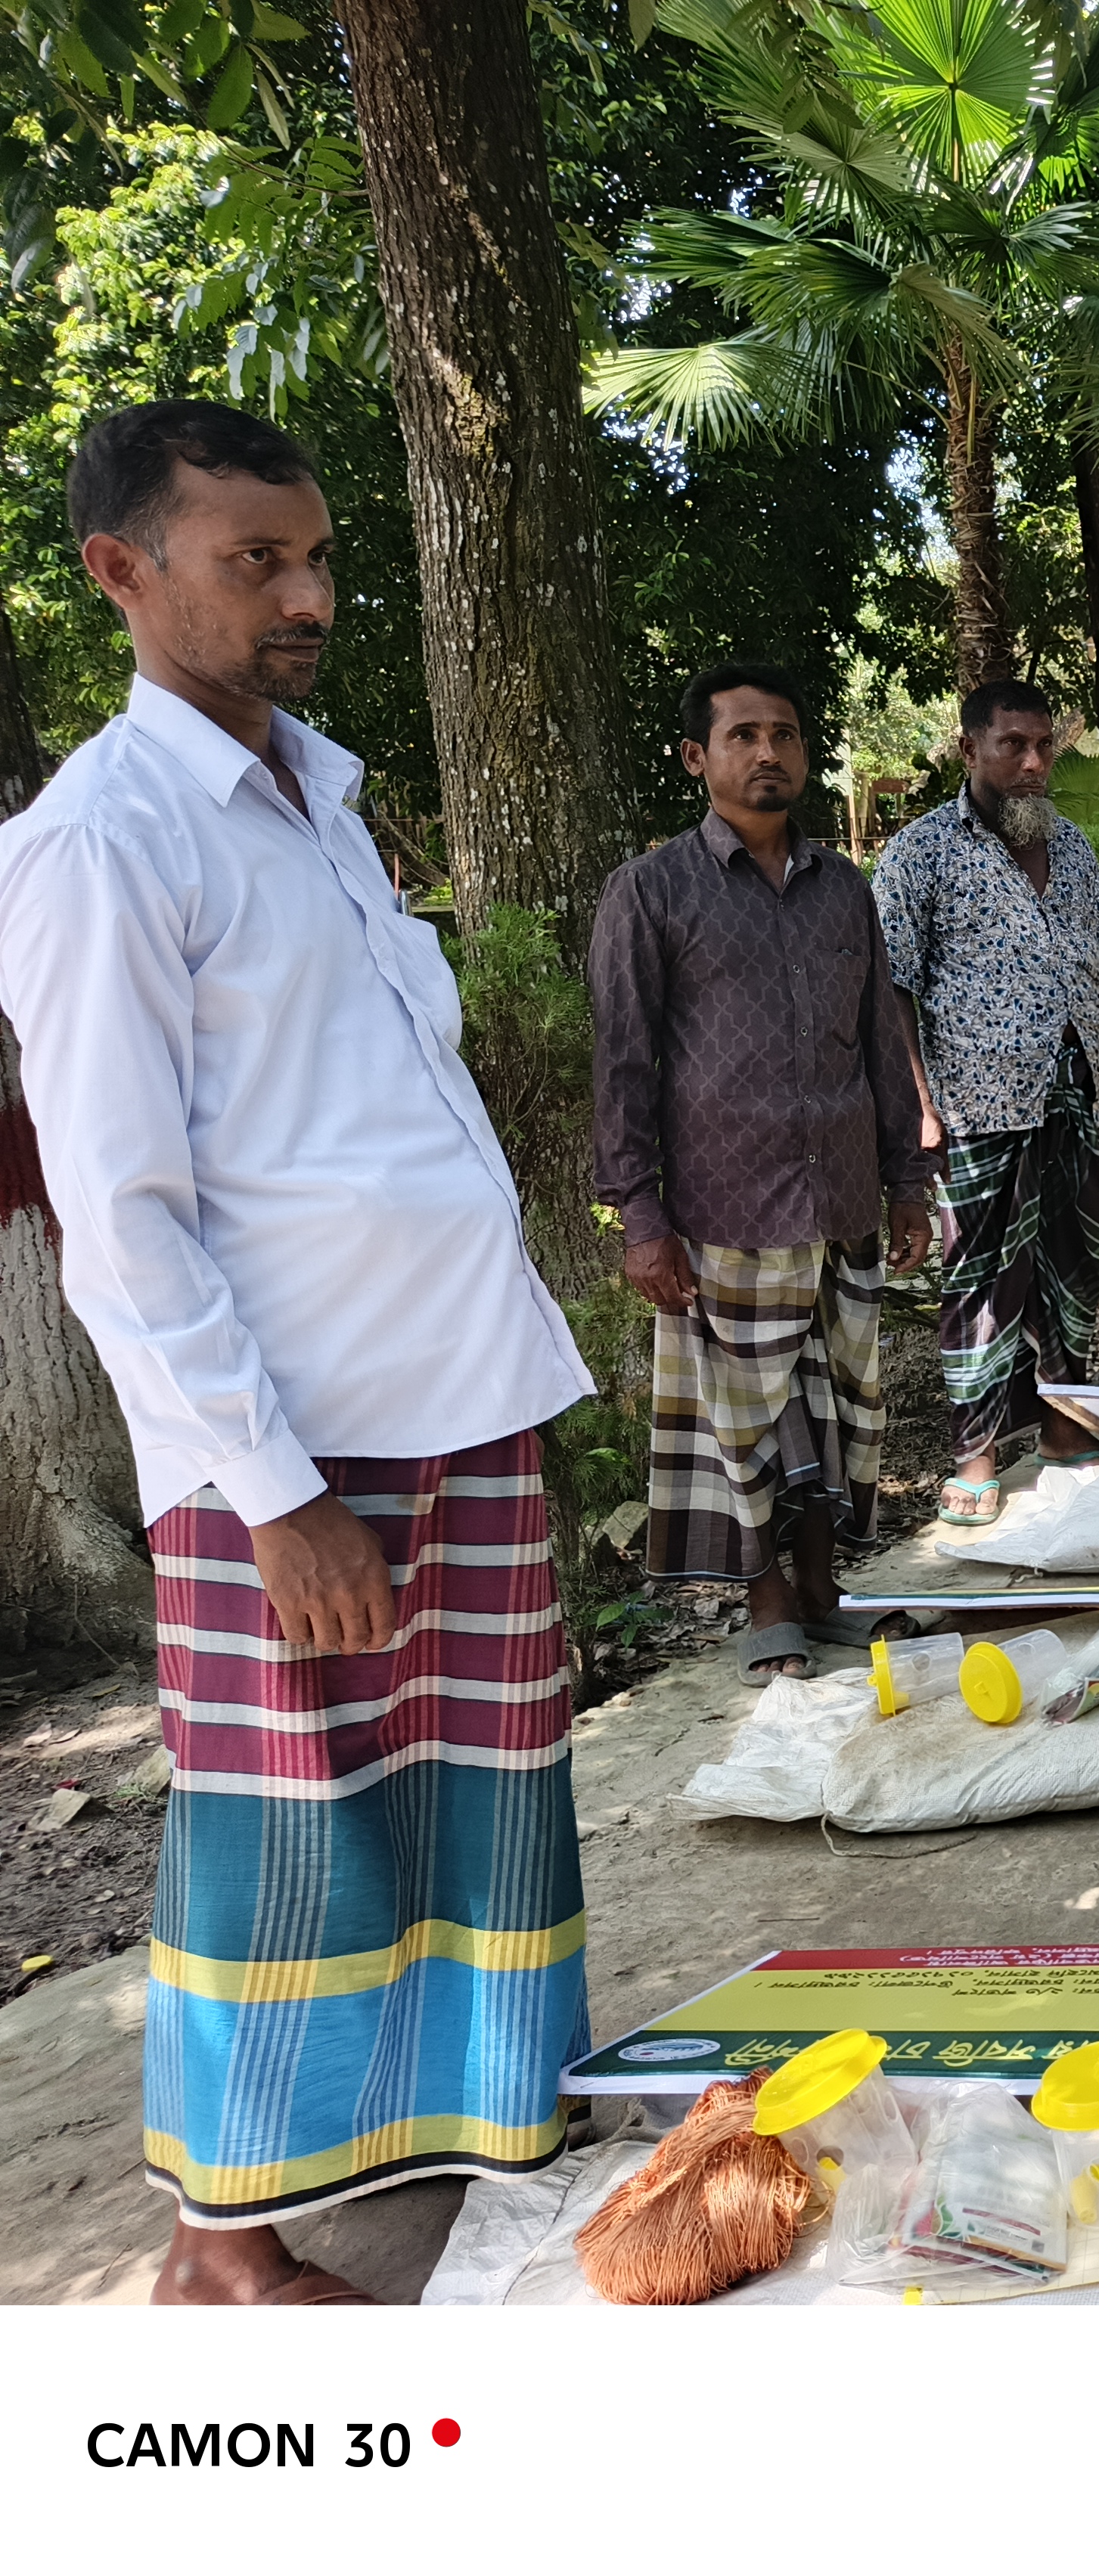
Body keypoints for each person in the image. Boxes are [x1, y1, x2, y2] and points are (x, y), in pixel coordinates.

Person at [0, 401, 597, 2301]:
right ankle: (218, 2237)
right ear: (122, 571)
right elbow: (126, 1214)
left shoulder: (319, 798)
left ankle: (465, 2119)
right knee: (285, 1831)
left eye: (315, 557)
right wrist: (271, 1494)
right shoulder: (103, 834)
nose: (306, 595)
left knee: (477, 1783)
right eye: (253, 561)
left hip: (452, 1397)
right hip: (295, 1444)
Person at [589, 665, 936, 1684]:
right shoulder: (652, 891)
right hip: (723, 1204)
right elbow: (623, 1062)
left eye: (784, 734)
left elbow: (883, 1038)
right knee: (739, 1421)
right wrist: (641, 1218)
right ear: (700, 757)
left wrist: (907, 1177)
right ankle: (767, 1595)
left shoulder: (845, 889)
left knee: (839, 1406)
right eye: (743, 735)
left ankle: (825, 1588)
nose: (768, 752)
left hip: (841, 1198)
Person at [874, 681, 1099, 1527]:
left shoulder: (1069, 848)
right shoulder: (919, 853)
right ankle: (974, 1456)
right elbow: (891, 990)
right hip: (976, 1106)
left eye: (1044, 746)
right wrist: (917, 1103)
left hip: (1078, 1095)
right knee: (979, 1280)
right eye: (1013, 746)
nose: (1034, 763)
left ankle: (1066, 1427)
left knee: (1074, 1269)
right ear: (969, 750)